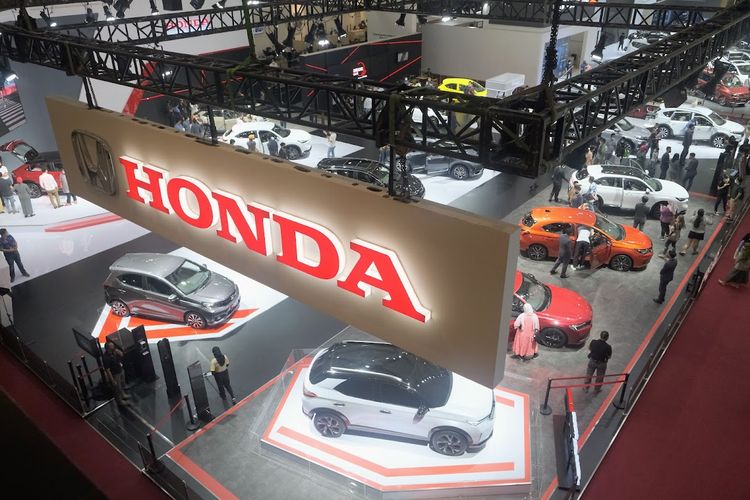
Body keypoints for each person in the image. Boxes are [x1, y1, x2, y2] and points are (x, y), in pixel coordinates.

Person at [102, 341, 130, 407]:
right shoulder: (106, 358)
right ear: (108, 348)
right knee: (117, 388)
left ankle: (123, 395)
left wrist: (118, 351)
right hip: (115, 374)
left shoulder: (114, 352)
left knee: (122, 384)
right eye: (112, 346)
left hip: (120, 369)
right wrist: (113, 380)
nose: (114, 347)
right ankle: (120, 401)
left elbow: (122, 354)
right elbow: (108, 370)